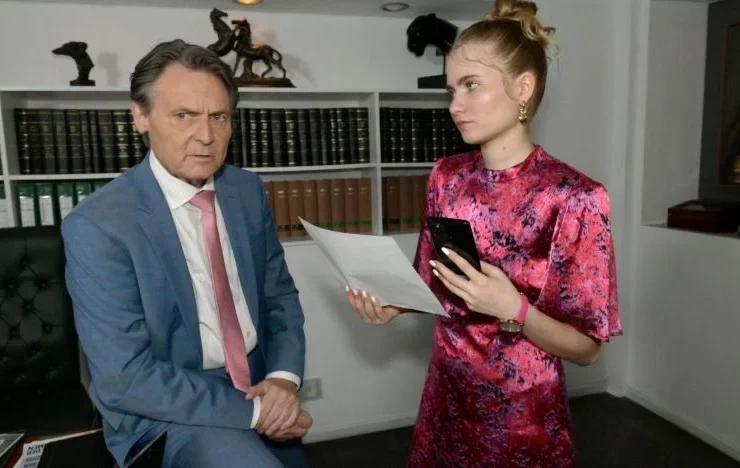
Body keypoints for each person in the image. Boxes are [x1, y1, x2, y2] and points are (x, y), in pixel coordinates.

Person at [347, 1, 622, 466]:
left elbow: (587, 349)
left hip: (522, 419)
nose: (455, 105)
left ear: (522, 88)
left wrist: (514, 309)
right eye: (452, 89)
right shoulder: (446, 177)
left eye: (471, 85)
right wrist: (394, 304)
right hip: (446, 399)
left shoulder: (575, 197)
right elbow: (430, 282)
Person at [62, 39, 311, 468]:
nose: (206, 136)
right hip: (167, 407)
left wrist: (283, 380)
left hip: (261, 381)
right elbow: (125, 377)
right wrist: (257, 413)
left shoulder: (247, 191)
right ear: (140, 117)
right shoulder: (98, 225)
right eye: (184, 116)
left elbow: (279, 298)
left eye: (219, 117)